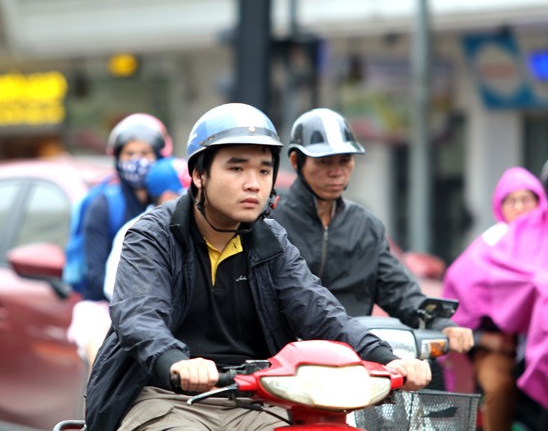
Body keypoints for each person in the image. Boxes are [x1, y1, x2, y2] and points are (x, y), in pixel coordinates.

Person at [84, 103, 432, 431]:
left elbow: (318, 309)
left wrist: (386, 358)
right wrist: (174, 361)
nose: (254, 183)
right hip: (163, 397)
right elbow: (139, 314)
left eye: (264, 170)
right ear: (199, 174)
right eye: (236, 168)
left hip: (254, 402)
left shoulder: (270, 239)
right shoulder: (151, 235)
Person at [270, 108, 474, 355]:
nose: (336, 171)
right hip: (284, 357)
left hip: (356, 354)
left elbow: (398, 290)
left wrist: (441, 323)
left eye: (344, 160)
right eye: (324, 162)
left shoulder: (365, 224)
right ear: (295, 161)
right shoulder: (271, 221)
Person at [442, 167, 547, 431]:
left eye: (527, 199)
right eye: (511, 201)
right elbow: (459, 286)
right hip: (499, 347)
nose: (520, 207)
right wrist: (487, 340)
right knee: (498, 388)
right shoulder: (489, 244)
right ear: (499, 206)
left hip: (541, 345)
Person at [66, 113, 170, 367]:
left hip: (158, 307)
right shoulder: (103, 206)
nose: (138, 161)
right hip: (104, 308)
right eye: (130, 154)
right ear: (117, 158)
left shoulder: (167, 202)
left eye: (146, 154)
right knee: (103, 368)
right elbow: (97, 276)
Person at [104, 156, 191, 301]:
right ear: (168, 196)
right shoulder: (137, 231)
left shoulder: (196, 226)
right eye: (187, 194)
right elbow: (113, 290)